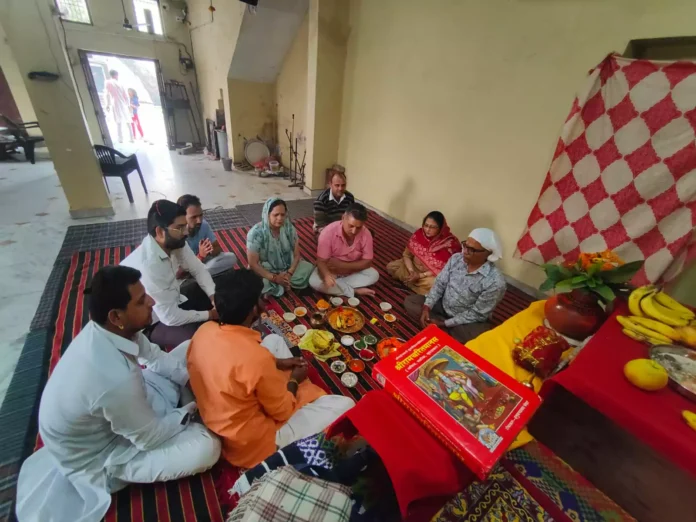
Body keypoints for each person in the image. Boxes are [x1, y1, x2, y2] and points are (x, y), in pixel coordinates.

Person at [15, 266, 220, 522]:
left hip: (131, 402)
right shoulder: (112, 378)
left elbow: (155, 358)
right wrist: (192, 408)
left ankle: (188, 399)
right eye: (141, 300)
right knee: (207, 448)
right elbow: (149, 439)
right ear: (116, 315)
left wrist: (191, 380)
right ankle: (191, 408)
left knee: (192, 347)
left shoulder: (113, 331)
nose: (152, 302)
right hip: (109, 455)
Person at [187, 269, 355, 468]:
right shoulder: (255, 359)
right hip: (252, 443)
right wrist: (294, 379)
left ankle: (280, 383)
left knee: (274, 339)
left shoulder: (204, 331)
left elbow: (233, 367)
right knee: (346, 404)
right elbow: (282, 412)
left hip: (221, 415)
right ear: (253, 310)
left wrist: (278, 363)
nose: (265, 300)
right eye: (260, 297)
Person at [121, 200, 217, 347]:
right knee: (200, 339)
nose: (186, 232)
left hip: (175, 298)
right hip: (152, 321)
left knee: (223, 295)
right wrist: (210, 314)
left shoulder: (175, 242)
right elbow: (169, 317)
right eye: (180, 228)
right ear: (159, 232)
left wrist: (213, 296)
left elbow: (197, 268)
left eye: (185, 226)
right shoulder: (150, 266)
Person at [404, 228, 507, 344]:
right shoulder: (456, 259)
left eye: (472, 250)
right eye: (465, 246)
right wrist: (427, 307)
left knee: (475, 337)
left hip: (467, 320)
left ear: (488, 253)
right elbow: (440, 284)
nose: (465, 251)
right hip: (443, 305)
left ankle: (439, 326)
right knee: (410, 302)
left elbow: (476, 313)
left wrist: (444, 323)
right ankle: (441, 330)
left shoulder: (495, 282)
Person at [246, 197, 315, 297]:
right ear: (267, 214)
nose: (280, 218)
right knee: (256, 283)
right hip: (266, 272)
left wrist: (289, 274)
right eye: (276, 215)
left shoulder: (289, 228)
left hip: (287, 268)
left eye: (283, 215)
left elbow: (296, 255)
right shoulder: (255, 233)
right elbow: (253, 264)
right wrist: (275, 278)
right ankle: (284, 285)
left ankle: (280, 286)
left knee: (308, 268)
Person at [309, 203, 379, 297]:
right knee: (314, 282)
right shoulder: (328, 233)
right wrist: (326, 276)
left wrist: (342, 265)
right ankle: (354, 291)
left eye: (358, 227)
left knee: (374, 275)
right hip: (332, 271)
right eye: (351, 226)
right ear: (343, 218)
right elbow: (321, 262)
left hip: (353, 271)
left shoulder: (366, 233)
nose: (354, 231)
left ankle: (339, 287)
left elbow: (367, 262)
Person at [387, 211, 461, 295]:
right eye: (426, 225)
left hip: (430, 276)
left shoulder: (449, 244)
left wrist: (420, 276)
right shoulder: (419, 234)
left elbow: (443, 270)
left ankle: (411, 284)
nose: (427, 230)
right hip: (413, 268)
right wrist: (411, 271)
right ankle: (417, 287)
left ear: (441, 228)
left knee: (435, 284)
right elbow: (406, 255)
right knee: (391, 267)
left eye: (433, 227)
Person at [177, 194, 238, 277]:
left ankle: (198, 277)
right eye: (194, 217)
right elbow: (179, 271)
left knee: (231, 257)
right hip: (186, 269)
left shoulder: (203, 225)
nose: (199, 221)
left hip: (203, 263)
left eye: (201, 215)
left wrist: (209, 250)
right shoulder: (175, 234)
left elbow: (217, 248)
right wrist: (200, 256)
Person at [313, 164, 355, 233]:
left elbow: (351, 218)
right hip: (326, 229)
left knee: (364, 233)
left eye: (343, 185)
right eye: (337, 185)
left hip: (344, 228)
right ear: (330, 184)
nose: (340, 188)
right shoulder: (321, 201)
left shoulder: (350, 198)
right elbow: (320, 224)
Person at [105, 69, 133, 143]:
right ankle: (131, 137)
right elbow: (126, 96)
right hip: (122, 103)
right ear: (116, 75)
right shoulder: (119, 83)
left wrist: (108, 104)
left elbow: (107, 94)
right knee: (127, 120)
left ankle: (120, 138)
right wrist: (128, 105)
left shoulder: (108, 82)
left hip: (115, 103)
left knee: (118, 121)